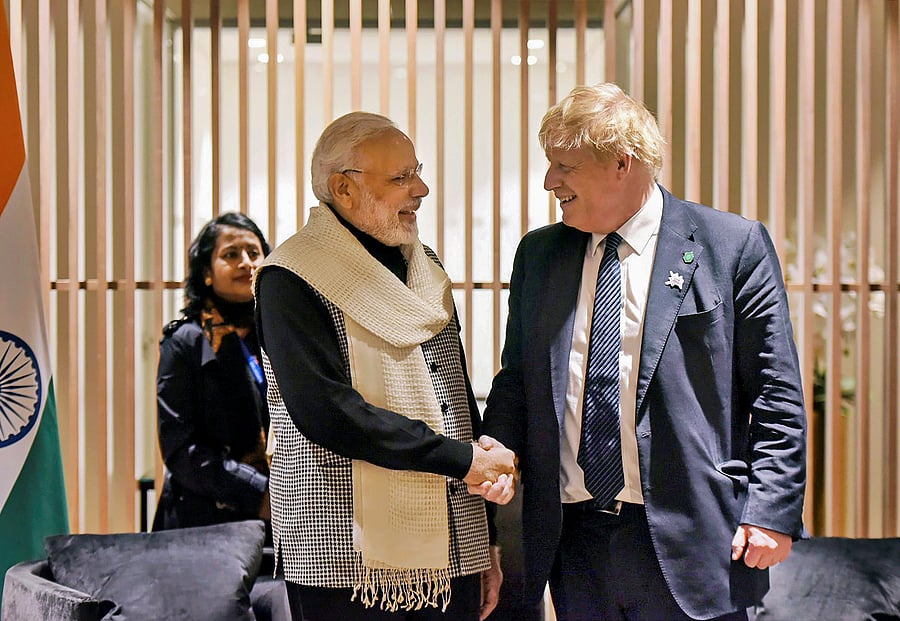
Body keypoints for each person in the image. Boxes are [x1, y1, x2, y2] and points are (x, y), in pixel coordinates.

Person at [482, 83, 807, 621]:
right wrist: (498, 447)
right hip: (574, 537)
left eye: (564, 166)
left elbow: (776, 395)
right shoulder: (539, 254)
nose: (549, 182)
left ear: (620, 164)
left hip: (692, 534)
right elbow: (517, 378)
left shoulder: (730, 245)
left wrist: (771, 510)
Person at [254, 111, 516, 621]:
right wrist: (463, 461)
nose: (420, 188)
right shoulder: (291, 277)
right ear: (343, 190)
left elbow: (456, 403)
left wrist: (485, 539)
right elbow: (329, 413)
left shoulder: (426, 265)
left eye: (416, 171)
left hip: (454, 546)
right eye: (400, 178)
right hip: (342, 554)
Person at [153, 212, 272, 536]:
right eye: (231, 255)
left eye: (253, 253)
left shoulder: (279, 337)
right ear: (207, 273)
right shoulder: (184, 342)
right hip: (204, 527)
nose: (246, 263)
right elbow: (181, 450)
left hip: (284, 522)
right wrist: (258, 493)